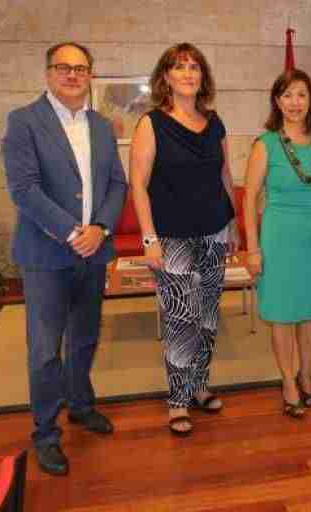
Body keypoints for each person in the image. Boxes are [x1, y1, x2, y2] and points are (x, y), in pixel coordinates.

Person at [1, 42, 127, 475]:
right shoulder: (24, 121)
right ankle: (46, 433)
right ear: (48, 73)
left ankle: (81, 406)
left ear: (90, 75)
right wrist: (74, 232)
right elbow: (24, 190)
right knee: (44, 349)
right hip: (46, 254)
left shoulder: (102, 125)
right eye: (63, 67)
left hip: (94, 251)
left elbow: (117, 184)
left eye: (81, 68)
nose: (72, 75)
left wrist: (101, 228)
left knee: (85, 337)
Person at [129, 43, 239, 436]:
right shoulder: (151, 124)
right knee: (180, 319)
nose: (188, 73)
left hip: (214, 231)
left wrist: (233, 224)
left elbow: (225, 175)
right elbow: (138, 184)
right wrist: (148, 239)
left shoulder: (214, 122)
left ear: (202, 76)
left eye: (194, 67)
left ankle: (199, 385)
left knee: (207, 317)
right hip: (171, 237)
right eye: (180, 67)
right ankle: (178, 400)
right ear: (166, 76)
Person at [243, 69, 311, 419]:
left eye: (301, 95)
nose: (294, 102)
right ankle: (287, 381)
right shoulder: (265, 145)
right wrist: (253, 249)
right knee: (282, 314)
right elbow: (249, 198)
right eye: (286, 95)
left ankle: (306, 374)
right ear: (277, 101)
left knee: (310, 313)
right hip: (279, 240)